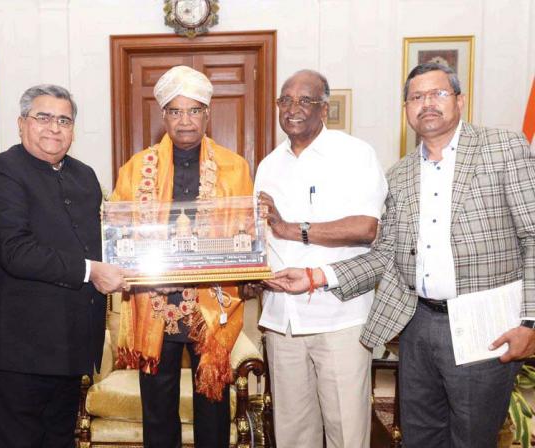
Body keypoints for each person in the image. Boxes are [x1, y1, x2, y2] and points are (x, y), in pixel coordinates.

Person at [271, 62, 535, 447]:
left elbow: (532, 235)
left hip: (484, 326)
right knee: (419, 437)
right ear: (406, 108)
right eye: (416, 97)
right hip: (417, 325)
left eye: (437, 94)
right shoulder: (400, 173)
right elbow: (386, 255)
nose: (426, 103)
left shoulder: (502, 149)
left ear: (460, 101)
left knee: (473, 439)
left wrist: (530, 320)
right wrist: (315, 277)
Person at [110, 65, 253, 447]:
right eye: (175, 111)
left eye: (193, 111)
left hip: (211, 307)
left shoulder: (234, 168)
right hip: (155, 304)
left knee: (213, 404)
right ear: (164, 117)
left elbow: (246, 232)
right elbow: (118, 230)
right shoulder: (137, 168)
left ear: (208, 114)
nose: (185, 120)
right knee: (157, 407)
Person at [0, 84, 129, 447]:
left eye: (64, 120)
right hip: (22, 349)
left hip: (73, 345)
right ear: (21, 123)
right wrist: (92, 271)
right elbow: (16, 251)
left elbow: (103, 241)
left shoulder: (85, 176)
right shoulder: (2, 172)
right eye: (43, 117)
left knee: (61, 440)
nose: (54, 128)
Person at [254, 69, 387, 448]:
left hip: (339, 318)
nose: (293, 109)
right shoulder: (268, 165)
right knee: (293, 434)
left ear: (324, 109)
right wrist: (254, 270)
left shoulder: (354, 154)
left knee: (346, 431)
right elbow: (260, 236)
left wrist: (290, 228)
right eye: (285, 100)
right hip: (282, 319)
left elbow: (366, 227)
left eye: (304, 100)